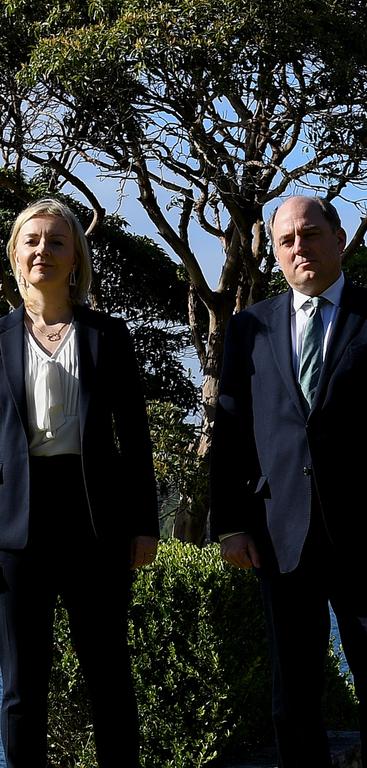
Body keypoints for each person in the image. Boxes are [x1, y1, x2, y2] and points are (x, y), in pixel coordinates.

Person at [209, 195, 367, 768]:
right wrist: (231, 522)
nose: (299, 248)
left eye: (310, 234)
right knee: (293, 695)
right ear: (275, 253)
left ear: (338, 239)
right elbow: (232, 430)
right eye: (286, 241)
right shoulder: (249, 328)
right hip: (279, 536)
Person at [0, 199, 158, 767]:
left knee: (109, 674)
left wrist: (143, 526)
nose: (43, 250)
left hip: (96, 520)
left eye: (56, 242)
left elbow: (135, 440)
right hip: (16, 523)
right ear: (17, 255)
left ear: (76, 258)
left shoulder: (107, 336)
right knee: (22, 686)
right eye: (32, 241)